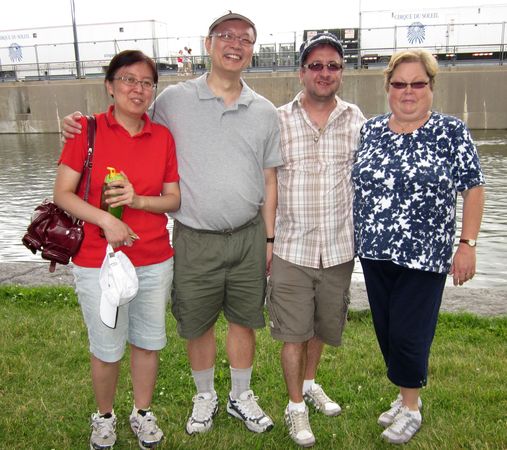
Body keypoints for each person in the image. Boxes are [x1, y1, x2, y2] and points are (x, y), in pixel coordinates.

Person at [62, 11, 281, 437]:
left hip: (248, 234)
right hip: (194, 236)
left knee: (243, 321)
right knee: (196, 321)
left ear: (252, 49)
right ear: (208, 43)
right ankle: (204, 397)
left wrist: (270, 237)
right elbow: (124, 117)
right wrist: (76, 125)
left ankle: (240, 396)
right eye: (226, 35)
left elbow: (270, 179)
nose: (235, 44)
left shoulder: (265, 111)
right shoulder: (174, 101)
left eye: (245, 38)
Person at [352, 49, 485, 445]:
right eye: (399, 84)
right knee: (389, 332)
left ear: (430, 87)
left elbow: (473, 189)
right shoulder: (371, 130)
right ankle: (403, 393)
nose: (408, 91)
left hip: (425, 256)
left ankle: (411, 406)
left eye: (417, 84)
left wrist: (467, 244)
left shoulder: (451, 132)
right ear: (388, 87)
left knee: (410, 334)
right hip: (375, 253)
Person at [54, 50, 180, 449]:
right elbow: (62, 195)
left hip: (153, 258)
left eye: (146, 82)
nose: (137, 89)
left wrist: (138, 200)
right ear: (110, 86)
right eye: (128, 79)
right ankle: (104, 417)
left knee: (147, 342)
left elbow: (173, 199)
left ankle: (142, 412)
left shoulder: (161, 137)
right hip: (97, 261)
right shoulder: (85, 132)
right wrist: (107, 220)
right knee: (107, 349)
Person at [267, 33, 365, 447]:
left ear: (341, 72)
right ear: (301, 71)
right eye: (317, 65)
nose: (325, 73)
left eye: (333, 66)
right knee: (293, 332)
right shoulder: (277, 119)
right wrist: (268, 241)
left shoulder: (356, 119)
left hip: (340, 249)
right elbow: (267, 181)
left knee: (321, 326)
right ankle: (294, 408)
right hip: (291, 247)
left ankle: (309, 384)